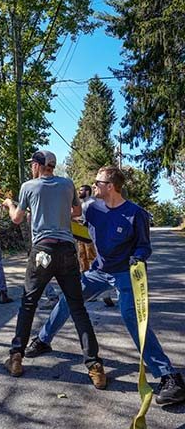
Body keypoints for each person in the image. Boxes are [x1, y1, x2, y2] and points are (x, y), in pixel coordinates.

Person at [24, 166, 185, 405]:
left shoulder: (135, 214)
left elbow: (144, 246)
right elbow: (70, 218)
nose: (93, 185)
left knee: (132, 317)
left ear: (110, 186)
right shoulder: (91, 207)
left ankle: (170, 377)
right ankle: (43, 339)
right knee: (68, 299)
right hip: (99, 271)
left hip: (125, 273)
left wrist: (138, 257)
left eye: (98, 182)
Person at [1, 150, 106, 389]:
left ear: (39, 166)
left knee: (29, 303)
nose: (31, 169)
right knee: (77, 307)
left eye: (32, 165)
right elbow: (76, 212)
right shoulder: (68, 184)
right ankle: (95, 366)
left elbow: (17, 218)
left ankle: (16, 357)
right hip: (67, 250)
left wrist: (9, 204)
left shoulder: (28, 186)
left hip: (42, 251)